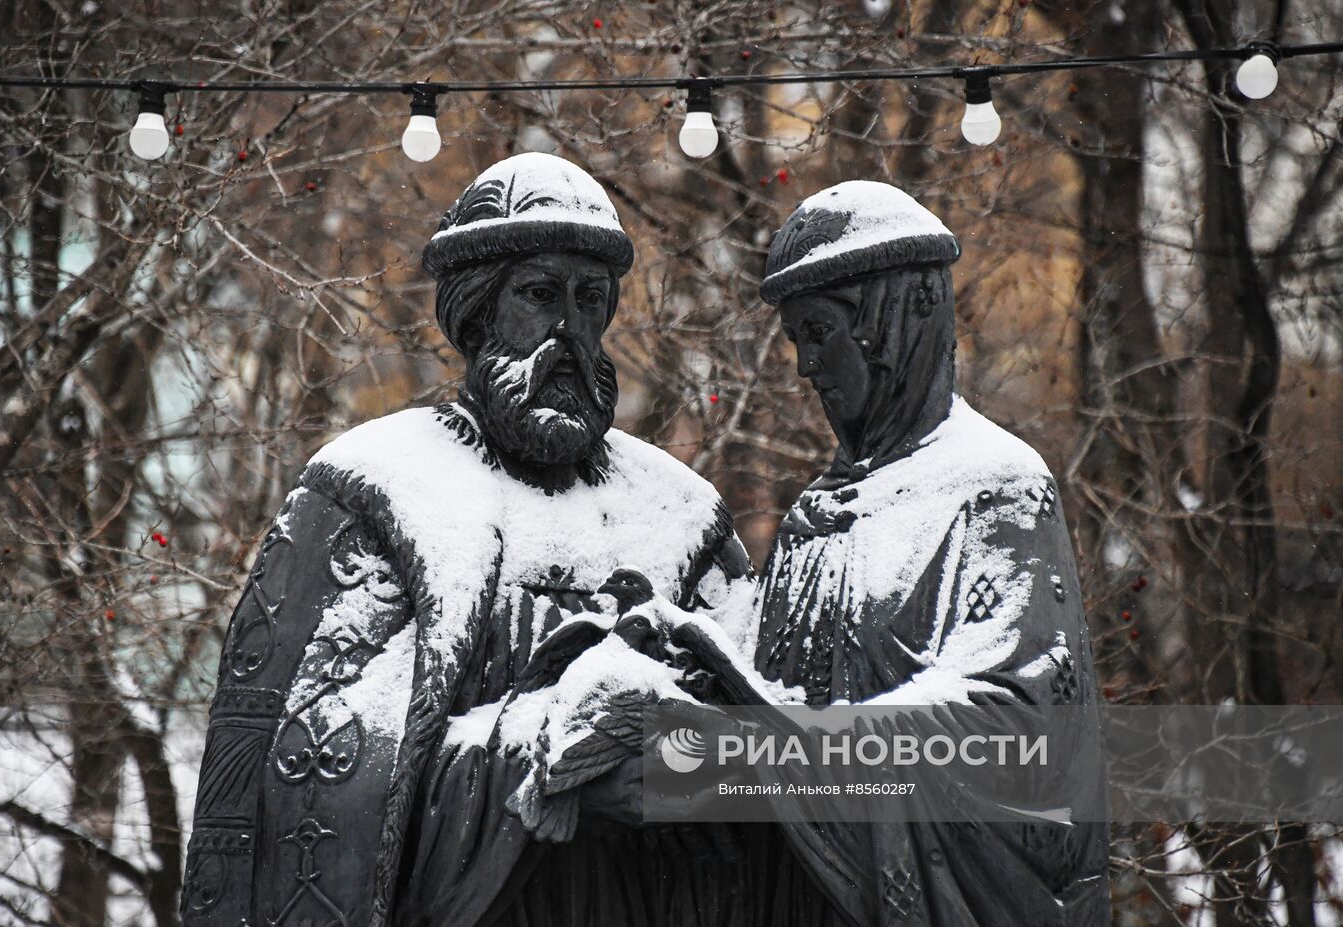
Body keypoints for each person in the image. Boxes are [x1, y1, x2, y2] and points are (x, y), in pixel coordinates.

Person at [179, 153, 752, 927]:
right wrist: (546, 759)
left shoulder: (684, 516)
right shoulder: (367, 494)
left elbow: (765, 733)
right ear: (479, 314)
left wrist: (686, 759)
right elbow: (294, 763)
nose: (570, 331)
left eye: (590, 301)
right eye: (541, 295)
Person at [747, 180, 1111, 924]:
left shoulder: (996, 489)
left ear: (896, 319)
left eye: (818, 333)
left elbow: (1021, 726)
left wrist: (811, 748)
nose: (805, 368)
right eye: (795, 342)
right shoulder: (813, 519)